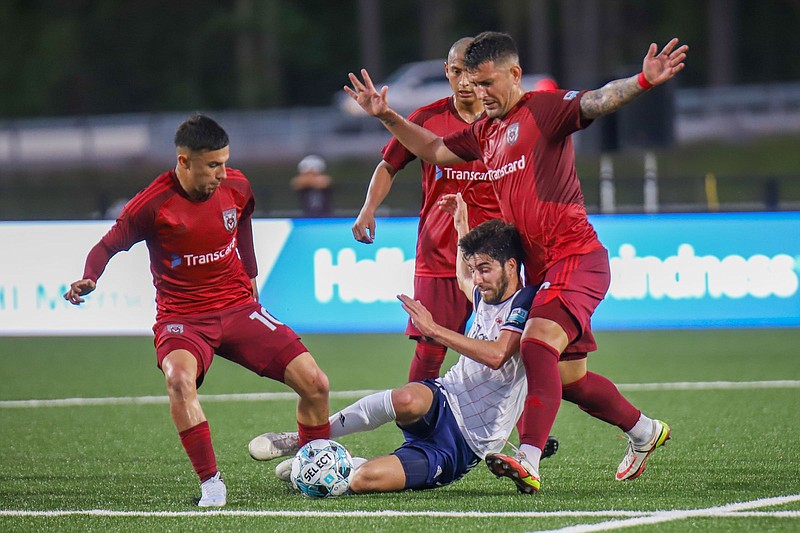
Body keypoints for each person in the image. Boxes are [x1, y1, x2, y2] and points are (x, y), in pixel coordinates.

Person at [344, 32, 687, 492]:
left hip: (577, 256)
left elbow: (600, 100)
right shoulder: (485, 132)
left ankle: (527, 457)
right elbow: (433, 149)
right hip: (540, 270)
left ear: (515, 74)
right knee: (569, 380)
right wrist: (386, 114)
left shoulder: (544, 111)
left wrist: (643, 81)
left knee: (535, 342)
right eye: (472, 82)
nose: (479, 92)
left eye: (487, 82)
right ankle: (644, 430)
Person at [63, 114, 331, 507]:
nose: (222, 173)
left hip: (238, 306)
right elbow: (107, 245)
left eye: (224, 162)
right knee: (178, 381)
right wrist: (90, 277)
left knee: (317, 384)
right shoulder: (153, 204)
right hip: (183, 319)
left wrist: (251, 275)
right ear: (184, 161)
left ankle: (311, 462)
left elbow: (243, 223)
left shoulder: (237, 184)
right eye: (212, 165)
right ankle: (211, 483)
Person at [250, 195, 557, 493]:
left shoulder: (527, 302)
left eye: (485, 269)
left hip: (465, 443)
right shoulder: (483, 292)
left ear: (511, 266)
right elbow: (463, 275)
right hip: (446, 399)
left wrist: (434, 329)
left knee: (362, 480)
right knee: (407, 397)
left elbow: (498, 355)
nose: (477, 279)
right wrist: (461, 222)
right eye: (475, 269)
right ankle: (307, 439)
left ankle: (325, 465)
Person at [352, 37, 502, 381]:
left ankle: (529, 436)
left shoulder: (504, 121)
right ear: (446, 72)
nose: (464, 82)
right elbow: (388, 165)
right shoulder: (427, 119)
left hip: (496, 253)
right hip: (440, 255)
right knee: (431, 346)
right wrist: (368, 208)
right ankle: (418, 431)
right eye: (457, 72)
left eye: (472, 73)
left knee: (510, 349)